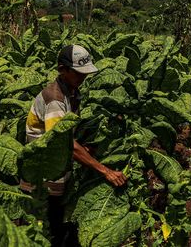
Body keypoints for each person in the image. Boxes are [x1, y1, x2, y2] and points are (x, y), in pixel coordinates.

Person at [20, 44, 128, 247]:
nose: (83, 78)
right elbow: (64, 142)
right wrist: (105, 171)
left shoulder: (71, 91)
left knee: (58, 230)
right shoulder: (55, 99)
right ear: (62, 69)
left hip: (57, 172)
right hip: (42, 178)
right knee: (43, 234)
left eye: (84, 73)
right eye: (78, 73)